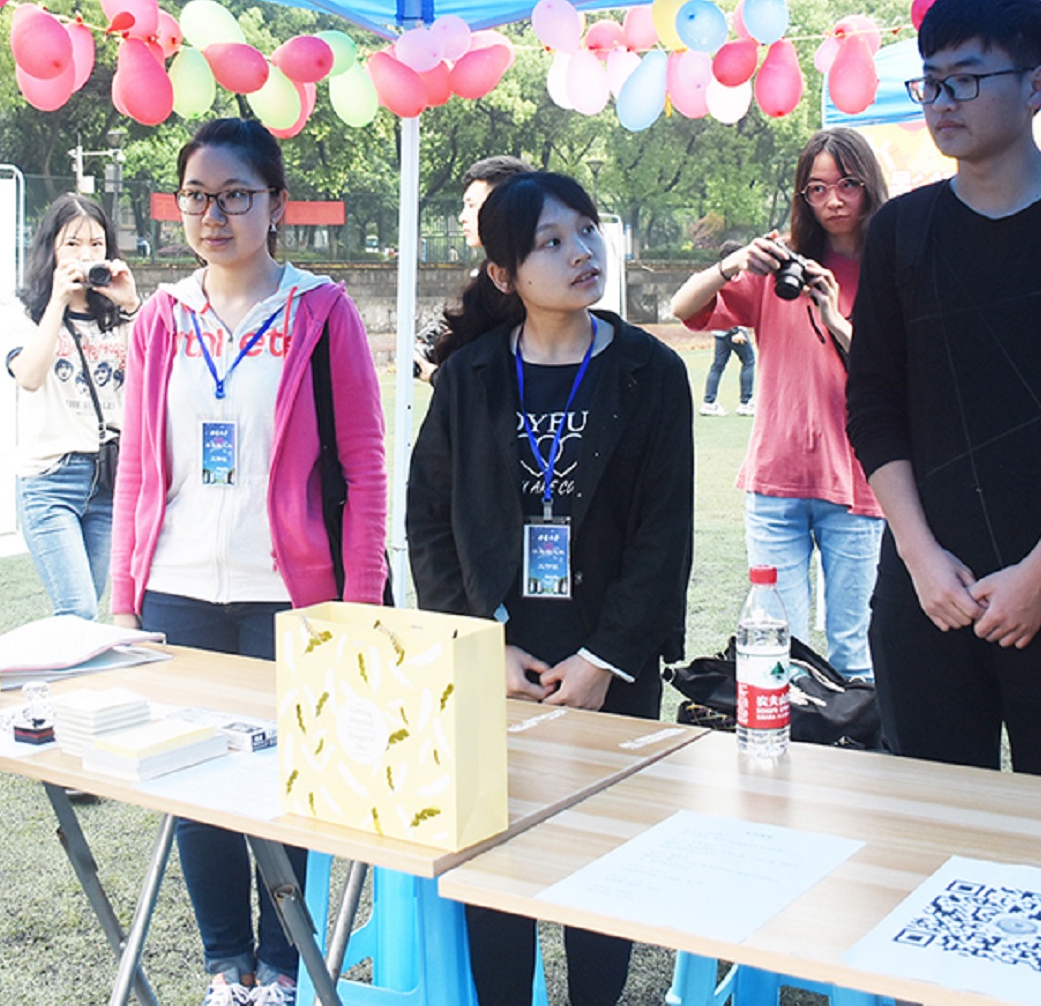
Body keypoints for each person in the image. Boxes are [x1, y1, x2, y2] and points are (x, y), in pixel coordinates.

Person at [108, 115, 389, 1006]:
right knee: (194, 781)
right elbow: (138, 466)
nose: (214, 214)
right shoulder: (162, 319)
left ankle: (282, 966)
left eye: (236, 196)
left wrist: (358, 603)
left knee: (288, 783)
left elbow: (365, 464)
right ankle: (225, 966)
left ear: (277, 204)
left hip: (290, 596)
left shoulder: (321, 312)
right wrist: (124, 598)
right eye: (197, 196)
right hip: (177, 589)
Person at [844, 0, 1041, 779]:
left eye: (968, 80)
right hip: (928, 585)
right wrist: (918, 557)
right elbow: (872, 403)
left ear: (1037, 86)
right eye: (931, 83)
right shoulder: (901, 231)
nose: (943, 102)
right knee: (927, 815)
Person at [408, 171, 693, 1006]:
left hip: (609, 665)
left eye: (587, 230)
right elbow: (428, 522)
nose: (581, 252)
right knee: (497, 869)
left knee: (603, 867)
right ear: (504, 274)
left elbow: (664, 533)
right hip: (498, 664)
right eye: (551, 242)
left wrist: (605, 657)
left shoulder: (648, 371)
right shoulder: (470, 377)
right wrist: (480, 643)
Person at [671, 128, 889, 680]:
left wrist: (835, 317)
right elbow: (683, 307)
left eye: (847, 184)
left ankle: (856, 736)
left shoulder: (891, 267)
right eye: (816, 189)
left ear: (869, 185)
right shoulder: (779, 268)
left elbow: (894, 370)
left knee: (854, 651)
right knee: (779, 653)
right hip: (776, 482)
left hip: (859, 482)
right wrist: (734, 264)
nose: (833, 201)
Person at [9, 193, 139, 616]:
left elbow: (157, 378)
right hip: (51, 480)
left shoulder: (118, 314)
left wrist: (131, 305)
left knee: (87, 610)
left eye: (96, 244)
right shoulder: (23, 311)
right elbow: (29, 376)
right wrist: (57, 302)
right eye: (72, 243)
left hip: (108, 480)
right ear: (50, 249)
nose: (86, 255)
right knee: (78, 609)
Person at [415, 154, 530, 382]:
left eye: (471, 205)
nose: (462, 217)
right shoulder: (487, 276)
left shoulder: (520, 283)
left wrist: (434, 375)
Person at [699, 324, 755, 417]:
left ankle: (709, 402)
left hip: (720, 332)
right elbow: (731, 314)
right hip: (733, 331)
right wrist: (736, 331)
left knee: (717, 366)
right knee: (748, 362)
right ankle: (746, 402)